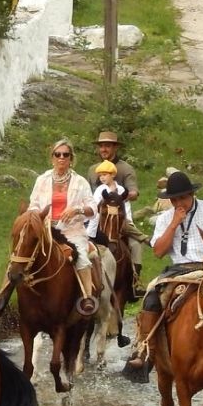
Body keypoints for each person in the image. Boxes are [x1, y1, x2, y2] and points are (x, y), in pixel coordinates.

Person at [126, 170, 203, 376]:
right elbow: (159, 251)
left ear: (192, 195)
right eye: (174, 199)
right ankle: (144, 349)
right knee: (151, 297)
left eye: (183, 198)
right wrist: (174, 223)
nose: (179, 203)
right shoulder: (165, 218)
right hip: (178, 270)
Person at [27, 139, 100, 317]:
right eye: (57, 154)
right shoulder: (42, 180)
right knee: (22, 254)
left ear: (71, 158)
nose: (61, 158)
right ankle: (2, 296)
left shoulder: (80, 181)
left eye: (65, 155)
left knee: (81, 257)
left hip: (71, 230)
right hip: (46, 229)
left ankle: (87, 298)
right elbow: (33, 205)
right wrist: (40, 216)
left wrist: (77, 209)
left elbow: (93, 209)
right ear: (52, 158)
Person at [91, 131, 145, 278]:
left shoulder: (125, 169)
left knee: (135, 245)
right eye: (101, 146)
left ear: (115, 148)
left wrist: (122, 196)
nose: (103, 149)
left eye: (107, 146)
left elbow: (134, 192)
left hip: (119, 216)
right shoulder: (93, 170)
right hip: (97, 216)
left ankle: (135, 280)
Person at [86, 161, 126, 244]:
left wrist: (126, 218)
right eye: (100, 176)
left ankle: (143, 237)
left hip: (118, 216)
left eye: (104, 175)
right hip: (103, 216)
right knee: (94, 225)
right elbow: (95, 206)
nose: (102, 178)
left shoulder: (121, 189)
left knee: (130, 231)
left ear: (113, 175)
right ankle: (90, 238)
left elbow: (124, 205)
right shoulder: (100, 190)